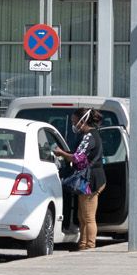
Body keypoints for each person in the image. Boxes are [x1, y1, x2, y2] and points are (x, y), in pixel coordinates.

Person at [51, 108, 106, 252]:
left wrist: (61, 153)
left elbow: (78, 157)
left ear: (83, 120)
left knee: (88, 216)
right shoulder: (88, 135)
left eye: (75, 122)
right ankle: (83, 244)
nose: (74, 125)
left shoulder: (89, 136)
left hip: (91, 180)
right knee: (82, 216)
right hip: (89, 178)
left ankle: (90, 245)